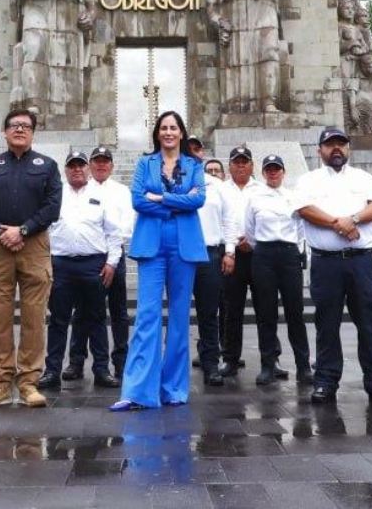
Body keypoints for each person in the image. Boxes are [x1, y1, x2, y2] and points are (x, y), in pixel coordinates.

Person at [110, 110, 207, 411]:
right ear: (157, 134)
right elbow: (138, 200)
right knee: (147, 316)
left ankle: (174, 389)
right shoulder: (145, 163)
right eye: (163, 128)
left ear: (182, 133)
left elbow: (199, 199)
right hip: (152, 244)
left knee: (179, 318)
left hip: (184, 245)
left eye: (173, 128)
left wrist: (161, 199)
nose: (168, 133)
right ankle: (139, 391)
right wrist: (178, 202)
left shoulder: (194, 165)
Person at [294, 126, 372, 405]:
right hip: (326, 264)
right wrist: (339, 224)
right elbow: (304, 209)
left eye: (341, 144)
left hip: (361, 261)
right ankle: (326, 381)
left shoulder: (363, 177)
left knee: (369, 323)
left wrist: (353, 219)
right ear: (320, 151)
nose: (336, 149)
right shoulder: (308, 180)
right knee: (327, 324)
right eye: (330, 145)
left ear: (348, 148)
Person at [0, 109, 62, 409]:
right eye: (14, 126)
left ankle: (28, 382)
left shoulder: (47, 166)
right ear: (5, 132)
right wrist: (0, 230)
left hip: (34, 245)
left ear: (33, 132)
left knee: (35, 317)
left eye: (25, 126)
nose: (20, 130)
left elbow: (52, 207)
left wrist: (23, 230)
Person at [39, 151, 123, 390]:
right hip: (61, 264)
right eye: (72, 166)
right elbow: (43, 228)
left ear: (88, 169)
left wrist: (112, 263)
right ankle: (52, 370)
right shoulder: (54, 194)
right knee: (58, 320)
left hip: (93, 263)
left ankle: (101, 370)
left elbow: (113, 233)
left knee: (96, 318)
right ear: (65, 170)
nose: (77, 169)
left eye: (81, 165)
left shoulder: (101, 195)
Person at [64, 146, 133, 383]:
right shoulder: (82, 188)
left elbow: (127, 224)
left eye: (105, 161)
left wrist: (111, 252)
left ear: (112, 166)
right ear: (89, 165)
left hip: (113, 255)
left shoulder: (122, 191)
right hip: (89, 257)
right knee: (83, 311)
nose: (101, 165)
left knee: (118, 311)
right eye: (97, 161)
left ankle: (120, 362)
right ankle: (76, 361)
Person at [245, 154, 311, 385]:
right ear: (263, 173)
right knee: (266, 313)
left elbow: (301, 229)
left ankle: (304, 366)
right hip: (263, 254)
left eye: (277, 169)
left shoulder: (293, 197)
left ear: (284, 172)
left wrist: (296, 249)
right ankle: (267, 364)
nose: (273, 173)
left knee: (295, 312)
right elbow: (250, 230)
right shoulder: (254, 198)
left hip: (288, 254)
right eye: (269, 169)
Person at [220, 145, 277, 378]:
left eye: (245, 161)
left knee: (267, 308)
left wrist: (252, 241)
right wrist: (231, 247)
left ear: (252, 166)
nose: (241, 165)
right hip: (232, 256)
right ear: (229, 165)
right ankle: (231, 359)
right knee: (232, 310)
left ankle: (270, 360)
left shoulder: (263, 189)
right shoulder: (221, 190)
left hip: (259, 254)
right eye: (237, 161)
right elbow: (222, 221)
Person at [194, 154, 238, 386]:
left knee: (209, 312)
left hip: (210, 253)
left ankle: (210, 363)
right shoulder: (175, 182)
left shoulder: (216, 185)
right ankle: (175, 364)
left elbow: (230, 219)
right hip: (181, 254)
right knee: (178, 312)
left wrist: (229, 251)